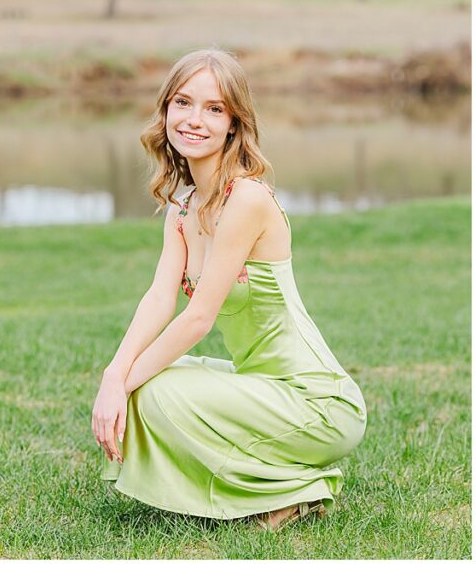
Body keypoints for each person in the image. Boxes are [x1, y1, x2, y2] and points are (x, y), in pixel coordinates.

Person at [92, 49, 366, 531]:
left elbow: (197, 318)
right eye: (183, 102)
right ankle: (284, 489)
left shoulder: (247, 200)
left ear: (234, 124)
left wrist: (122, 385)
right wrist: (116, 375)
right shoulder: (182, 209)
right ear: (166, 112)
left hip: (318, 402)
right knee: (148, 383)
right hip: (261, 388)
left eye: (214, 109)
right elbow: (159, 298)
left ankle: (298, 490)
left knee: (154, 392)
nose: (195, 119)